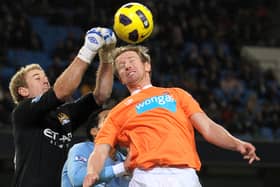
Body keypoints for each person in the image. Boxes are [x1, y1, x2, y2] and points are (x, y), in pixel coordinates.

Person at [83, 45, 260, 187]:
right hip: (146, 177)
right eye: (121, 66)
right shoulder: (116, 113)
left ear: (147, 66)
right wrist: (92, 172)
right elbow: (100, 150)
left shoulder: (176, 94)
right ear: (121, 78)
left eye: (131, 60)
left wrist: (236, 143)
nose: (127, 66)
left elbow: (208, 127)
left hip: (184, 176)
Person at [8, 27, 116, 187]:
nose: (45, 80)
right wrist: (88, 50)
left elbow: (101, 96)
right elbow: (62, 91)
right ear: (23, 91)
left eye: (45, 77)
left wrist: (107, 56)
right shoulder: (23, 112)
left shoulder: (64, 115)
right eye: (37, 78)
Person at [61, 109, 130, 187]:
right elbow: (77, 178)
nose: (116, 122)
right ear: (94, 131)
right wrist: (122, 168)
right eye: (108, 118)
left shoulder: (125, 159)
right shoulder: (82, 148)